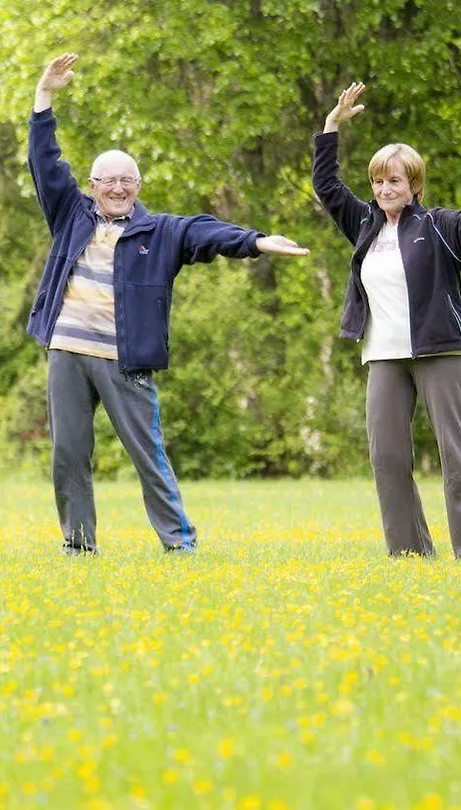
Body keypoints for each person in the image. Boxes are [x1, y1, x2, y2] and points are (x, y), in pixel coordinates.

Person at [28, 52, 311, 554]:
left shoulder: (158, 231)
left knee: (147, 455)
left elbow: (206, 230)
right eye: (107, 181)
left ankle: (179, 545)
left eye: (126, 181)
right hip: (66, 351)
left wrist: (256, 240)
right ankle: (77, 546)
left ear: (138, 187)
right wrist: (45, 97)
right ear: (93, 187)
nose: (117, 188)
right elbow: (45, 162)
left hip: (124, 359)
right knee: (69, 455)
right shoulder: (72, 214)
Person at [314, 81, 461, 559]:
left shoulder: (440, 227)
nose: (384, 189)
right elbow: (327, 186)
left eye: (395, 181)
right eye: (379, 181)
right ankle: (409, 553)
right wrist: (330, 128)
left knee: (457, 453)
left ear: (414, 185)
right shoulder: (364, 223)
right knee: (387, 458)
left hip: (440, 350)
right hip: (383, 356)